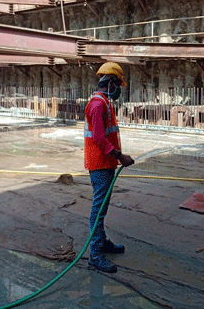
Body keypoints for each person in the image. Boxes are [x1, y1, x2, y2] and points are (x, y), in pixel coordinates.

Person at [84, 62, 134, 273]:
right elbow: (98, 138)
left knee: (102, 209)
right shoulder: (97, 105)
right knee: (98, 210)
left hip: (106, 163)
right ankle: (95, 255)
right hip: (100, 164)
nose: (119, 89)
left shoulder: (104, 103)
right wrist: (120, 156)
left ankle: (102, 243)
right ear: (110, 83)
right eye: (118, 84)